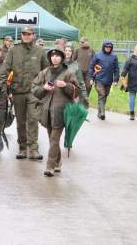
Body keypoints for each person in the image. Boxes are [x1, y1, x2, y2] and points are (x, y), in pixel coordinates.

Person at [32, 47, 79, 177]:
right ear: (49, 58)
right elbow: (34, 87)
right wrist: (44, 88)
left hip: (61, 111)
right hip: (47, 112)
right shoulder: (45, 72)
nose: (55, 58)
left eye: (58, 56)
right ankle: (58, 162)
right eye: (52, 56)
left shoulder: (68, 73)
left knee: (54, 139)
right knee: (52, 139)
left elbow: (77, 91)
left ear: (62, 58)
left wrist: (66, 86)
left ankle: (50, 167)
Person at [4, 25, 48, 160]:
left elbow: (47, 71)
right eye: (24, 34)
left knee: (33, 119)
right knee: (21, 121)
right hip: (17, 91)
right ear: (21, 35)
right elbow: (6, 69)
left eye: (28, 34)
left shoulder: (40, 51)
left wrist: (45, 88)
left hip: (34, 92)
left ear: (33, 35)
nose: (26, 36)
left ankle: (33, 148)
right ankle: (22, 148)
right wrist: (5, 87)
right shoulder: (13, 50)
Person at [88, 41, 119, 120]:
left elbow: (116, 69)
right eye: (106, 47)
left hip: (109, 80)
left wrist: (115, 80)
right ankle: (102, 112)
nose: (108, 48)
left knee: (105, 95)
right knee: (101, 94)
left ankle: (99, 112)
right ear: (103, 47)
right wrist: (91, 78)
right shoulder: (98, 55)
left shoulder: (114, 56)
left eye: (109, 47)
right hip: (99, 79)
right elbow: (91, 67)